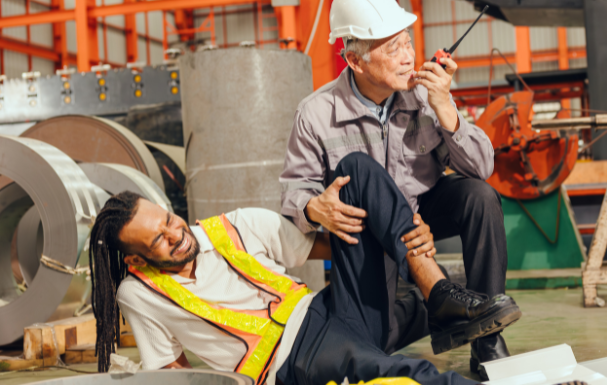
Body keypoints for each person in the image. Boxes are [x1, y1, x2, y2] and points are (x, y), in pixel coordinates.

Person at [89, 153, 520, 385]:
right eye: (158, 240)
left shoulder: (236, 225)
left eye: (168, 220)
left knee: (355, 170)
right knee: (397, 375)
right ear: (136, 260)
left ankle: (438, 292)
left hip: (329, 308)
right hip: (294, 358)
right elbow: (173, 372)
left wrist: (404, 235)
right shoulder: (139, 293)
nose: (176, 234)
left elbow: (336, 244)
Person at [280, 0, 509, 377]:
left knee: (480, 197)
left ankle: (486, 338)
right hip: (370, 237)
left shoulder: (426, 96)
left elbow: (482, 166)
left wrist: (445, 107)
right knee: (376, 342)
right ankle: (435, 307)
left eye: (408, 43)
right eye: (393, 49)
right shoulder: (316, 114)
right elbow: (293, 193)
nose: (408, 57)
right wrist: (315, 207)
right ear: (355, 60)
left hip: (424, 215)